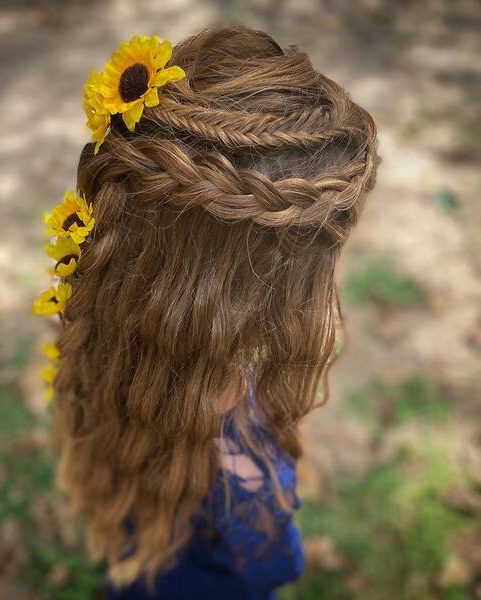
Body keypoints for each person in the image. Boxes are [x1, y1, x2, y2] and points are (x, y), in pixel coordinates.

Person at [45, 24, 379, 600]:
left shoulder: (98, 327)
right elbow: (278, 567)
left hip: (135, 561)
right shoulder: (250, 481)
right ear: (275, 290)